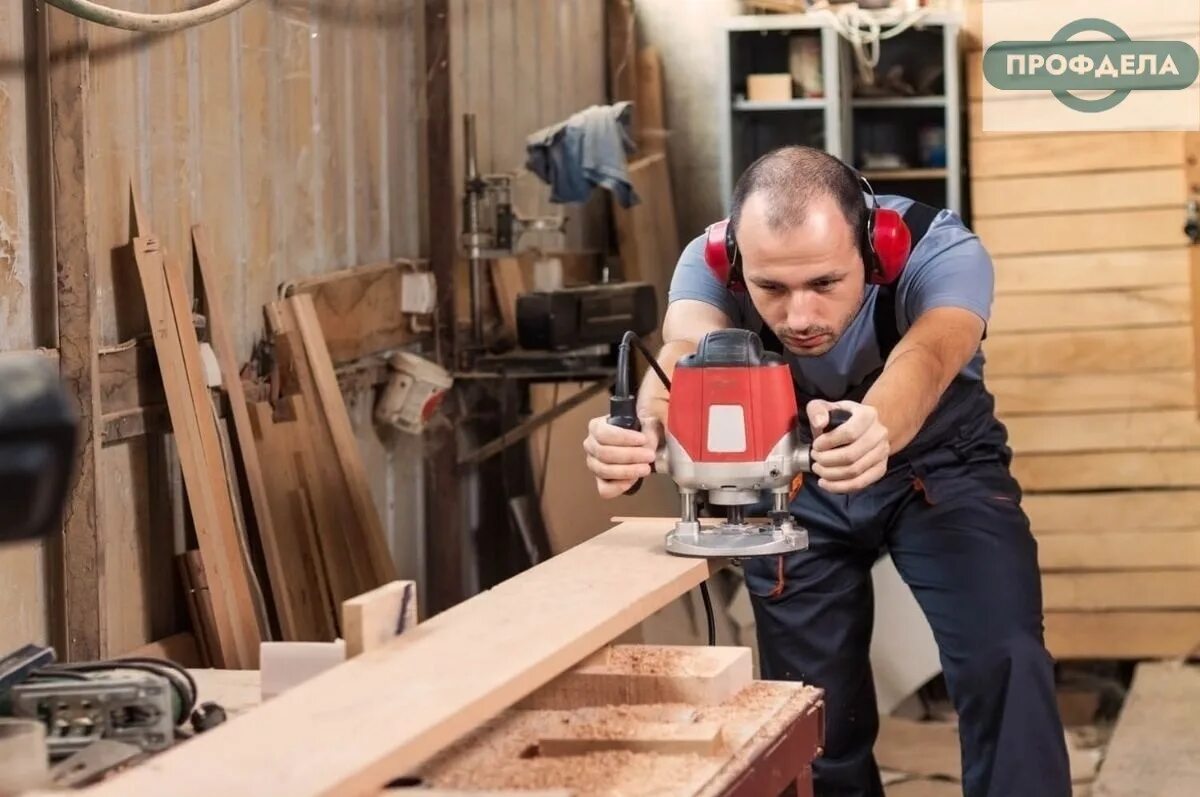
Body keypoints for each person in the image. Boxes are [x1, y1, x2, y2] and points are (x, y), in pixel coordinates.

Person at [581, 145, 1071, 797]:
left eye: (824, 283)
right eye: (771, 289)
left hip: (940, 464)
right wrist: (645, 430)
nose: (800, 317)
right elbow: (683, 355)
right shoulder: (708, 262)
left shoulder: (940, 250)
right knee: (814, 717)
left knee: (1005, 660)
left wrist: (878, 426)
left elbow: (927, 355)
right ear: (735, 264)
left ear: (877, 251)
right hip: (790, 480)